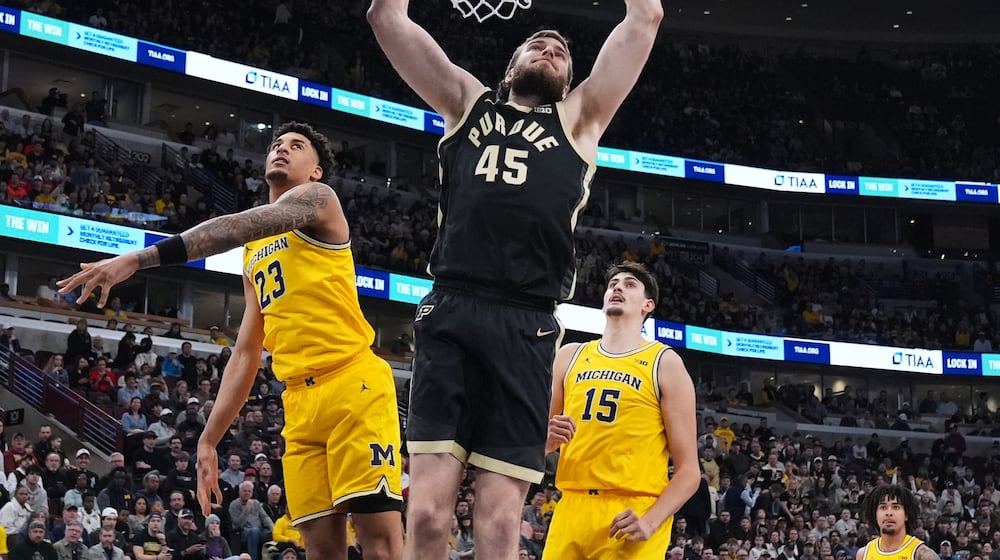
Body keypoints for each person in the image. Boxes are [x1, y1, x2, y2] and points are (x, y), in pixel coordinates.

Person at [367, 0, 663, 557]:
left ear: (569, 80)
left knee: (499, 525)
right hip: (452, 307)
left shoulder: (580, 118)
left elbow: (645, 17)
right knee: (427, 516)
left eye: (561, 54)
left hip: (527, 324)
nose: (551, 52)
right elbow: (387, 19)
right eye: (539, 46)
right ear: (511, 67)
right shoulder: (465, 101)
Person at [57, 122, 403, 560]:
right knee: (320, 547)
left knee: (379, 540)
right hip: (299, 400)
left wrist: (138, 259)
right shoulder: (255, 250)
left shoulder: (321, 201)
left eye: (297, 147)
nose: (282, 150)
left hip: (354, 383)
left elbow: (231, 226)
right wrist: (208, 438)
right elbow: (246, 349)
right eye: (277, 145)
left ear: (316, 172)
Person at [544, 263, 699, 558]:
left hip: (633, 511)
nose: (617, 287)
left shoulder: (665, 362)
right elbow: (534, 446)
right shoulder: (569, 355)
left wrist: (650, 522)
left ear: (647, 305)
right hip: (571, 507)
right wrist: (545, 442)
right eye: (613, 283)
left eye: (629, 285)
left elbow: (689, 472)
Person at [856, 485, 936, 560]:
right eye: (883, 507)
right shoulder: (863, 554)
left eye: (895, 507)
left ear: (906, 514)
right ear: (875, 514)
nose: (889, 513)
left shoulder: (923, 555)